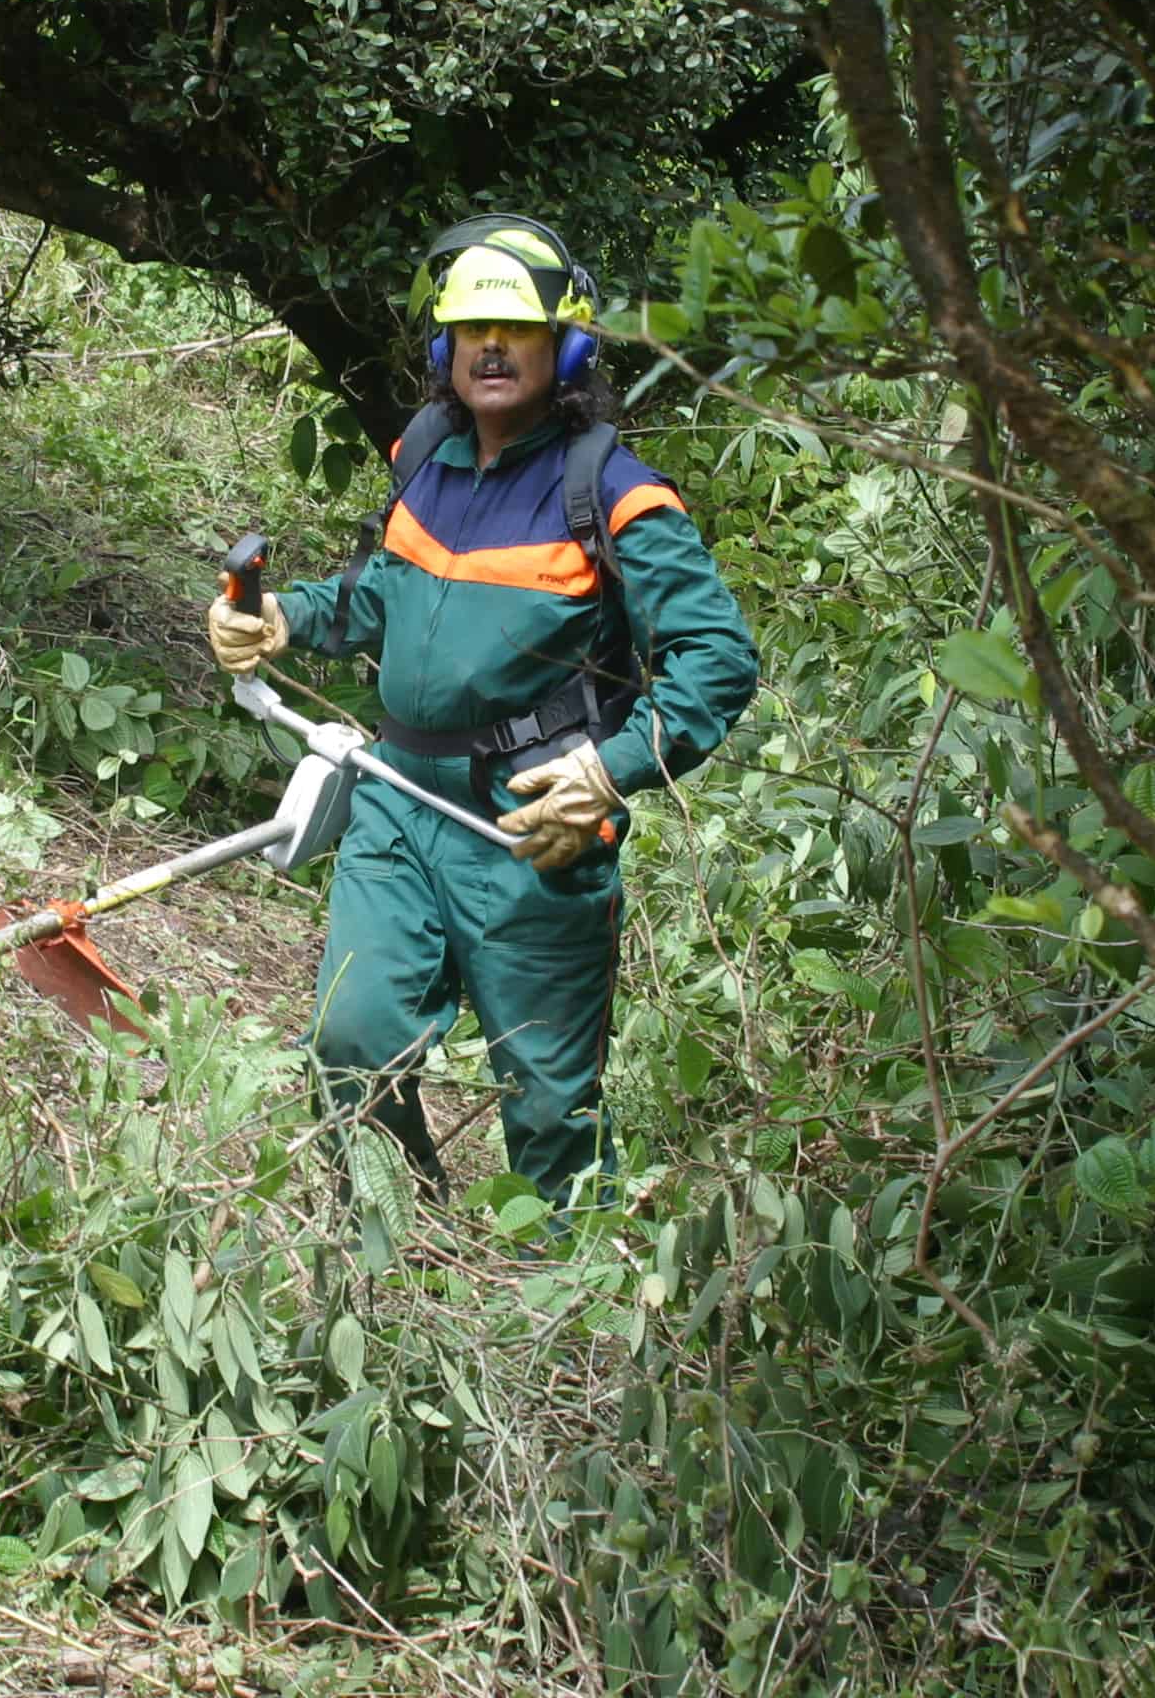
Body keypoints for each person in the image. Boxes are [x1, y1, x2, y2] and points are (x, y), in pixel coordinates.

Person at [204, 215, 758, 1213]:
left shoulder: (616, 494)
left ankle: (565, 1319)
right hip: (397, 798)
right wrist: (286, 616)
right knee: (350, 1042)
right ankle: (410, 1254)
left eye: (515, 329)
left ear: (567, 345)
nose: (491, 348)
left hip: (532, 826)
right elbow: (382, 598)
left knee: (549, 1107)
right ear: (444, 348)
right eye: (471, 330)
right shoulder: (426, 458)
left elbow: (715, 660)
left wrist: (611, 765)